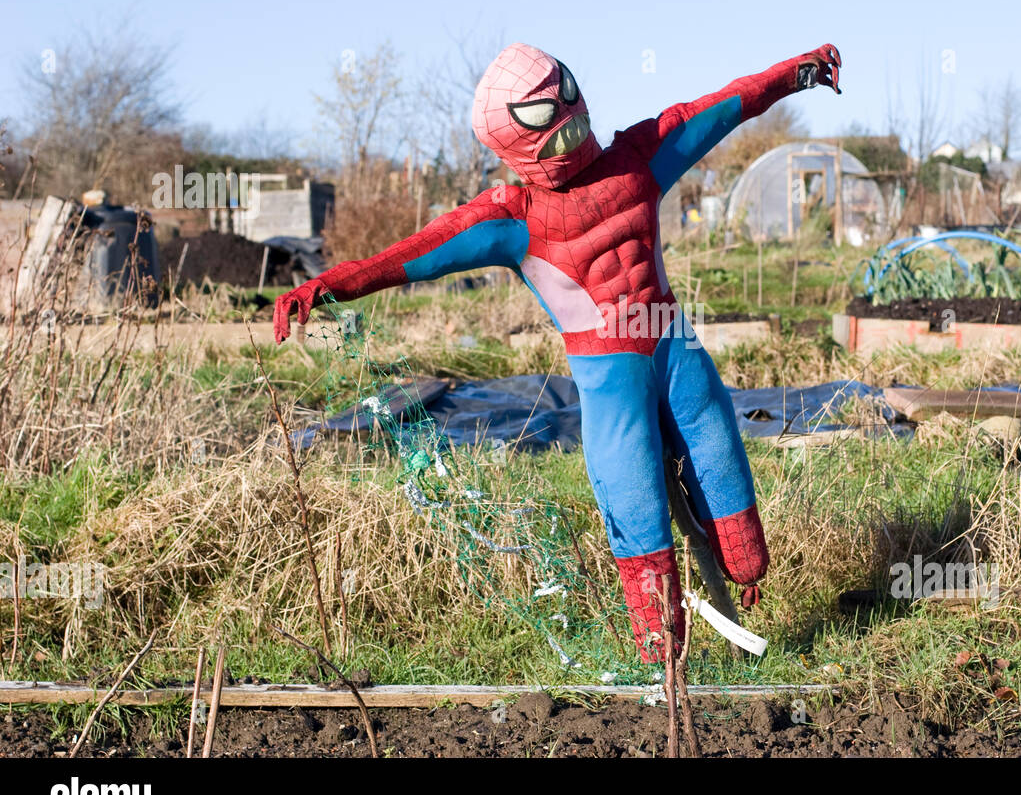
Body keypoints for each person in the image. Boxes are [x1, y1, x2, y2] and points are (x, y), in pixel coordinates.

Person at [274, 41, 843, 660]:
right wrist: (327, 285)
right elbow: (413, 254)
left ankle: (737, 585)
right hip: (612, 374)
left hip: (673, 348)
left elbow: (725, 107)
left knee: (736, 519)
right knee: (637, 511)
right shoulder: (510, 218)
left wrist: (795, 74)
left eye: (565, 105)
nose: (567, 129)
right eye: (546, 120)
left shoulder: (638, 155)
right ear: (513, 140)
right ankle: (666, 659)